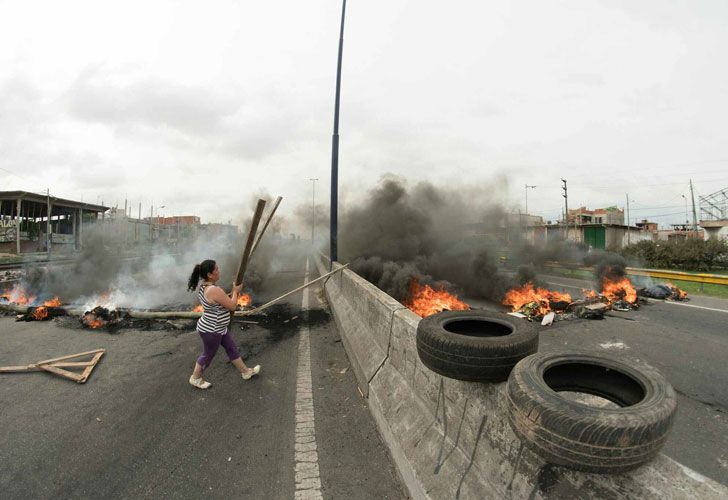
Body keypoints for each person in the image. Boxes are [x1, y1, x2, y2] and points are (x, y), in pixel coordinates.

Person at [187, 259, 260, 389]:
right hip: (212, 330)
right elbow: (232, 306)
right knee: (208, 355)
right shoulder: (214, 289)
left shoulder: (204, 286)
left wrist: (232, 292)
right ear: (210, 274)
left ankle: (245, 372)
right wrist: (236, 291)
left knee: (231, 348)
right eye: (216, 269)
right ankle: (196, 378)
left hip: (218, 327)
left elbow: (220, 301)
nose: (218, 271)